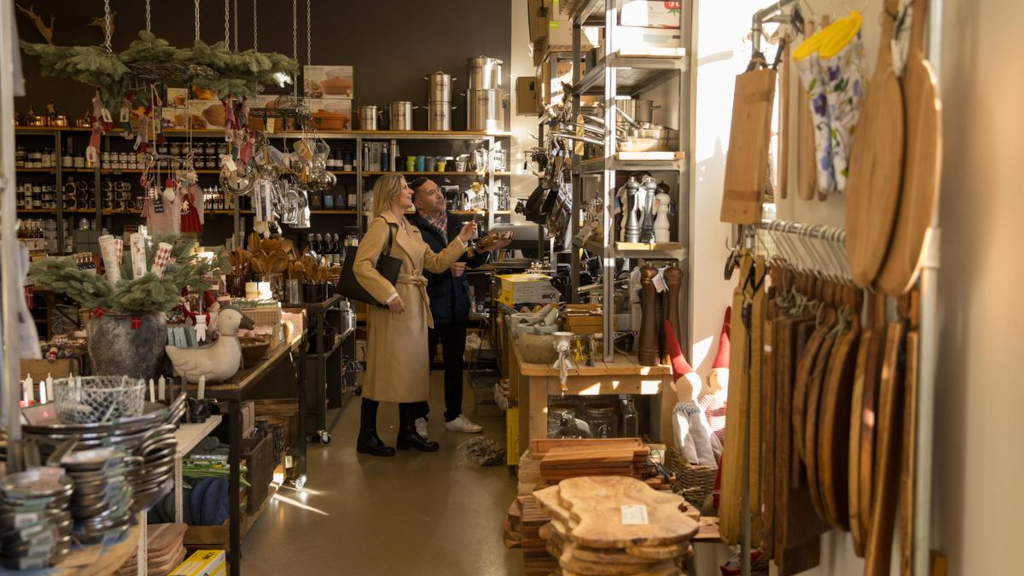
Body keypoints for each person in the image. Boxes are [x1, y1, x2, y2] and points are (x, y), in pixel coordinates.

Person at [352, 173, 477, 457]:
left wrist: (460, 240)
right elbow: (362, 266)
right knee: (382, 371)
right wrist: (389, 294)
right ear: (392, 193)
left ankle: (408, 432)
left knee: (412, 370)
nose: (410, 191)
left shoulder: (410, 228)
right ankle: (366, 434)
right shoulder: (382, 225)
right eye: (406, 188)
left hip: (415, 307)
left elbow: (434, 263)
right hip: (393, 308)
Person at [407, 178, 509, 435]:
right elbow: (413, 267)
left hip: (456, 303)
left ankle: (453, 415)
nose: (439, 196)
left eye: (439, 191)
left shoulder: (454, 222)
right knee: (422, 366)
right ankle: (418, 417)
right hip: (427, 305)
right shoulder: (411, 228)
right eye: (431, 193)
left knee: (455, 363)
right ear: (418, 202)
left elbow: (470, 260)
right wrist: (444, 270)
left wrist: (487, 249)